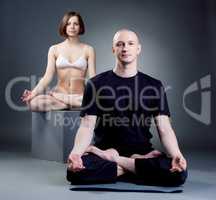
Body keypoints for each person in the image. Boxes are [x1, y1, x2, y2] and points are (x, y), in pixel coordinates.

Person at [66, 29, 187, 186]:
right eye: (120, 44)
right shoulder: (95, 84)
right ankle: (136, 168)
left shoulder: (154, 85)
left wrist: (177, 154)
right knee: (74, 173)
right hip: (104, 150)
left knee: (178, 174)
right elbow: (87, 126)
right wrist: (76, 153)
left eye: (130, 44)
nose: (125, 48)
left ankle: (118, 163)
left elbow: (164, 128)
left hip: (141, 152)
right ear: (113, 49)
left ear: (138, 49)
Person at [21, 11, 96, 111]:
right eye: (68, 24)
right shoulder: (54, 49)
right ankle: (69, 103)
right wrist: (33, 93)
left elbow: (93, 78)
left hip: (79, 95)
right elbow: (47, 77)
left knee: (94, 100)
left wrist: (99, 93)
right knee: (33, 103)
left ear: (80, 27)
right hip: (60, 93)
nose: (72, 27)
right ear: (64, 26)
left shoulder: (88, 49)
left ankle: (67, 101)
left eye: (76, 24)